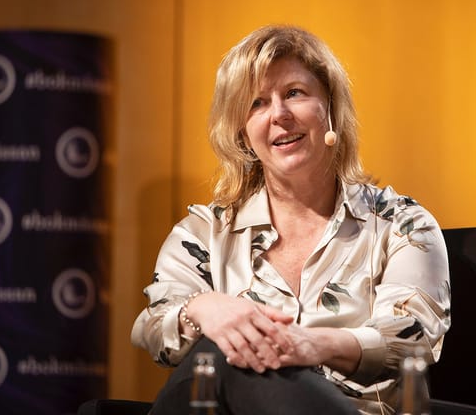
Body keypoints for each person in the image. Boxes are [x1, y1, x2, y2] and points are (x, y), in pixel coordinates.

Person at [131, 25, 451, 415]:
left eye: (294, 93)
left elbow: (412, 338)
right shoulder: (202, 234)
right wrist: (203, 308)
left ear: (330, 108)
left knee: (230, 353)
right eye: (256, 103)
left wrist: (309, 345)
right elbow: (152, 329)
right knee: (217, 350)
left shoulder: (402, 225)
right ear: (242, 133)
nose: (279, 115)